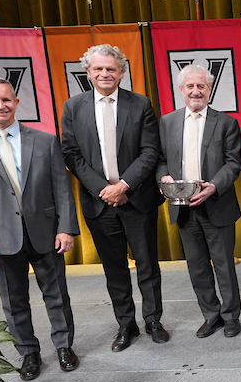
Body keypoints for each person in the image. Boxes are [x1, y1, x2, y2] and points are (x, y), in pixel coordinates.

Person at [0, 77, 79, 381]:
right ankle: (28, 353)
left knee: (57, 295)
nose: (0, 106)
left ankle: (64, 346)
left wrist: (66, 228)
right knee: (14, 300)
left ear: (16, 103)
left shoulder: (45, 140)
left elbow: (62, 189)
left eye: (6, 100)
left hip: (46, 232)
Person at [61, 44, 167, 351]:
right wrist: (104, 190)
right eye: (98, 69)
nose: (105, 74)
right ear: (88, 72)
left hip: (137, 200)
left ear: (122, 71)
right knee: (114, 268)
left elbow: (151, 151)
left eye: (111, 68)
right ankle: (126, 325)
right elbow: (71, 153)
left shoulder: (141, 104)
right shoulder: (73, 107)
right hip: (99, 203)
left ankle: (153, 320)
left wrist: (123, 185)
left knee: (148, 264)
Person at [157, 64, 241, 338]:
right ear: (181, 90)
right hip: (182, 209)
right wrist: (164, 179)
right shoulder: (167, 122)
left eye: (201, 86)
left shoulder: (226, 122)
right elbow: (159, 161)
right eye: (190, 86)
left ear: (209, 90)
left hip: (216, 204)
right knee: (196, 267)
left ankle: (231, 317)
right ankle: (211, 315)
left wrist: (213, 186)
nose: (196, 91)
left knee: (224, 265)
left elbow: (233, 163)